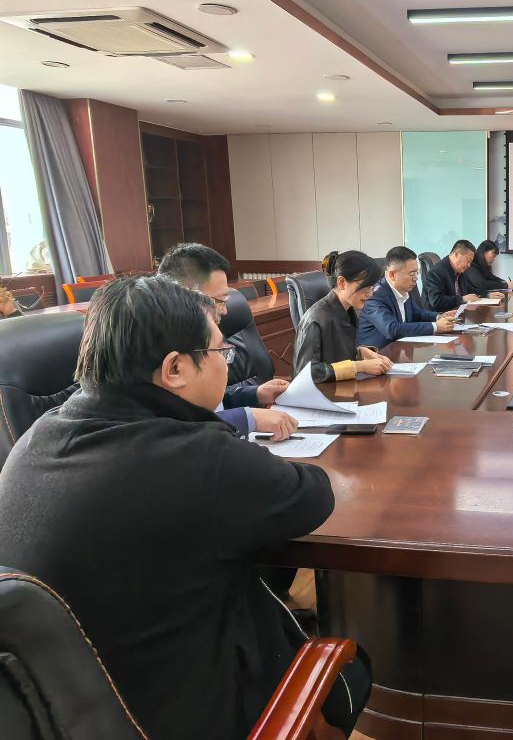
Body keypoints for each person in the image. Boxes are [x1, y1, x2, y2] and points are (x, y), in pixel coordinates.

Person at [0, 275, 370, 737]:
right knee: (352, 668)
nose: (225, 365)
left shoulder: (35, 436)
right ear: (174, 368)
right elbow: (313, 494)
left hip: (70, 713)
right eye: (220, 353)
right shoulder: (198, 458)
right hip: (189, 715)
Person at [158, 243, 295, 440]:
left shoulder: (200, 336)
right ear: (184, 296)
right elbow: (176, 425)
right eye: (219, 301)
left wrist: (256, 394)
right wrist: (247, 418)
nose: (225, 311)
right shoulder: (158, 349)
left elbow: (213, 401)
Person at [294, 250, 392, 380]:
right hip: (320, 392)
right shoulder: (315, 319)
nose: (370, 294)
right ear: (341, 283)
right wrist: (358, 366)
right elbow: (306, 373)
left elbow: (334, 355)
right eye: (365, 287)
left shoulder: (347, 311)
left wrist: (360, 352)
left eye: (372, 287)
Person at [357, 245, 457, 349]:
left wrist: (439, 316)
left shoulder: (404, 290)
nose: (416, 278)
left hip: (401, 349)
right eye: (412, 273)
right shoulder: (374, 296)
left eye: (417, 272)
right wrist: (435, 326)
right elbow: (392, 329)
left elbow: (417, 313)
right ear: (392, 275)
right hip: (379, 354)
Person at [425, 240, 502, 311]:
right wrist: (462, 299)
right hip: (440, 317)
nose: (469, 265)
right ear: (456, 254)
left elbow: (468, 289)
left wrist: (487, 295)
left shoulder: (459, 270)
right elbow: (436, 301)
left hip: (457, 312)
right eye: (468, 260)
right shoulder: (436, 272)